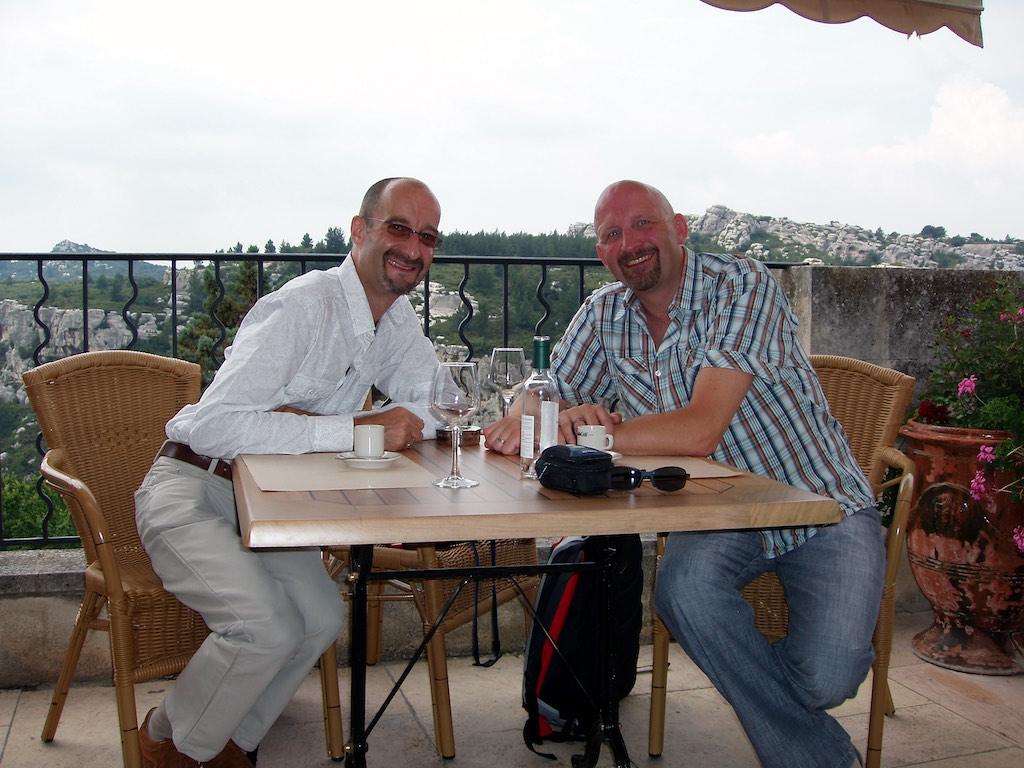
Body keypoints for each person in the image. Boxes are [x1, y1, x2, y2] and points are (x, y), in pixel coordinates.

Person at [483, 180, 882, 768]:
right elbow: (546, 390)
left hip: (820, 504)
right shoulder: (603, 314)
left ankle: (778, 712)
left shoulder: (740, 285)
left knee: (826, 680)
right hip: (717, 514)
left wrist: (591, 432)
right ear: (601, 253)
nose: (630, 243)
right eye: (613, 234)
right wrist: (530, 413)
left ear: (679, 229)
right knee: (682, 593)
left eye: (643, 224)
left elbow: (700, 430)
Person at [134, 177, 445, 767]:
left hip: (274, 499)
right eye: (398, 228)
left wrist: (349, 422)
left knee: (320, 619)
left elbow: (440, 406)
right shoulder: (303, 307)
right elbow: (215, 426)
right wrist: (350, 429)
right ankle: (183, 753)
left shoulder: (397, 324)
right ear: (359, 231)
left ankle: (210, 741)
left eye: (427, 237)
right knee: (263, 627)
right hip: (194, 486)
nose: (413, 247)